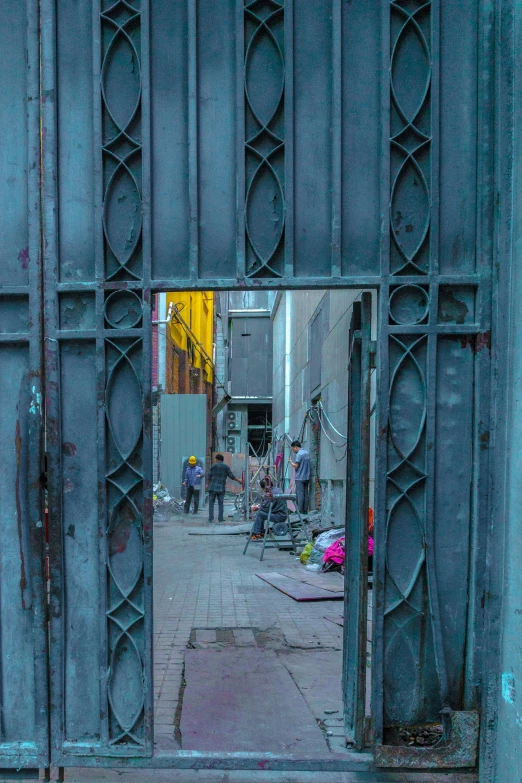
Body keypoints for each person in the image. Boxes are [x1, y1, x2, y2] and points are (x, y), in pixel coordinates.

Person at [207, 453, 241, 523]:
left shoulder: (213, 466)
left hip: (212, 488)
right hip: (221, 488)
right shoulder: (226, 467)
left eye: (215, 459)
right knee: (221, 503)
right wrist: (239, 481)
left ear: (217, 459)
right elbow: (231, 476)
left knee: (211, 503)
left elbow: (209, 476)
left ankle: (210, 518)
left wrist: (208, 485)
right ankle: (220, 518)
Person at [288, 440, 311, 514]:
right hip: (306, 477)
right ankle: (305, 510)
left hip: (299, 477)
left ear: (296, 447)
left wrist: (290, 462)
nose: (293, 450)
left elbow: (296, 465)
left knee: (300, 494)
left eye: (293, 449)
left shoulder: (299, 454)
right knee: (306, 493)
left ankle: (299, 510)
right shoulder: (307, 453)